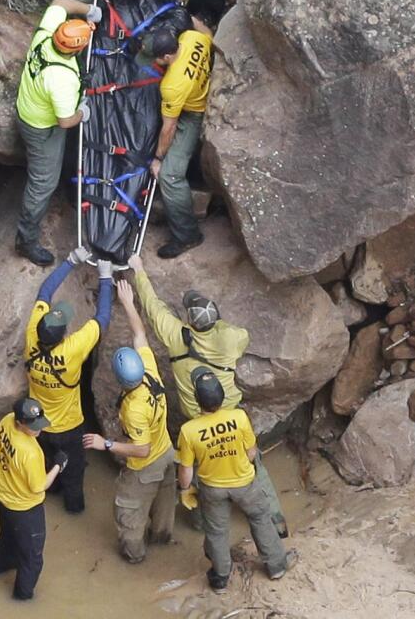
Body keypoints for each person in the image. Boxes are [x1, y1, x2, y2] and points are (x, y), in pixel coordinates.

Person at [127, 253, 288, 536]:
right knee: (253, 464)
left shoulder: (177, 336)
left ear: (189, 320)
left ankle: (201, 521)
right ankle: (274, 519)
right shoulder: (229, 338)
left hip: (198, 419)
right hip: (231, 414)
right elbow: (243, 336)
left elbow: (152, 308)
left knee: (201, 468)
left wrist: (138, 270)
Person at [82, 279, 177, 564]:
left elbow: (141, 449)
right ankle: (163, 542)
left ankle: (135, 559)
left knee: (129, 515)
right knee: (163, 508)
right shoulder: (149, 371)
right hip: (168, 453)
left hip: (145, 465)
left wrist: (106, 443)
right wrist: (127, 302)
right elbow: (140, 334)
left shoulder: (135, 408)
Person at [177, 368, 289, 592]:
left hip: (213, 488)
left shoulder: (189, 430)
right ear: (222, 397)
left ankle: (220, 579)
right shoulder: (238, 417)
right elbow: (250, 452)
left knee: (217, 532)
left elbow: (186, 469)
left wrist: (184, 489)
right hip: (244, 484)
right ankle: (276, 566)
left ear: (197, 400)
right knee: (260, 519)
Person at [25, 249, 114, 514]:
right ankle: (74, 510)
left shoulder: (31, 338)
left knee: (48, 463)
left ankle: (51, 488)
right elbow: (102, 318)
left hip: (39, 424)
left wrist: (69, 261)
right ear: (63, 334)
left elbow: (44, 293)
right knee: (74, 477)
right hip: (70, 427)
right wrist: (105, 277)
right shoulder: (71, 350)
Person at [14, 0, 102, 265]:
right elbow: (66, 121)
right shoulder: (61, 78)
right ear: (75, 50)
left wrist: (89, 11)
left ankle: (69, 186)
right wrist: (82, 112)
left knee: (63, 156)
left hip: (29, 107)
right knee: (42, 184)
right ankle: (25, 240)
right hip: (43, 128)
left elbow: (59, 3)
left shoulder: (46, 34)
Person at [144, 17, 213, 258]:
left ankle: (187, 236)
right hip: (198, 88)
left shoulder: (172, 85)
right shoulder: (190, 38)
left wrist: (158, 159)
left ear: (166, 57)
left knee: (170, 176)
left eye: (155, 57)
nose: (153, 61)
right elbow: (207, 33)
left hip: (193, 113)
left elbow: (169, 128)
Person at [0, 396, 65, 600]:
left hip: (1, 497)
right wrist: (58, 465)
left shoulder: (6, 421)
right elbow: (39, 487)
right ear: (20, 423)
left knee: (8, 536)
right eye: (33, 426)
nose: (38, 429)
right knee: (32, 559)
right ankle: (22, 598)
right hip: (25, 510)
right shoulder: (31, 452)